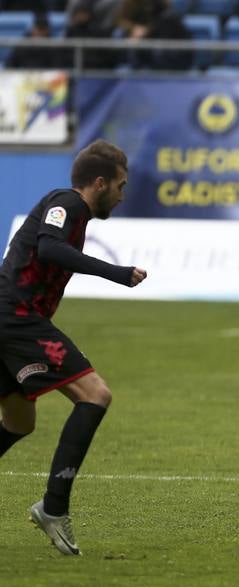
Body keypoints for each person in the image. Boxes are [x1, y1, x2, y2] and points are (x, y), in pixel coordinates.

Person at [0, 140, 148, 556]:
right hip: (16, 316)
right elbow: (48, 246)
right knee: (96, 394)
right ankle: (54, 507)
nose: (122, 195)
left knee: (17, 422)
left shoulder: (75, 212)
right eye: (120, 185)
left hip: (11, 319)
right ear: (99, 183)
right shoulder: (66, 202)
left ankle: (53, 507)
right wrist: (116, 273)